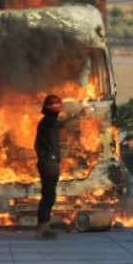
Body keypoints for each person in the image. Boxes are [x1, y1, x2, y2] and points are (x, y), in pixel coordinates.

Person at [34, 94, 84, 239]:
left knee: (49, 196)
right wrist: (79, 115)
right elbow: (63, 124)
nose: (59, 108)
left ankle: (45, 227)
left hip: (50, 162)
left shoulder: (47, 122)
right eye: (58, 106)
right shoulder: (48, 121)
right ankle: (42, 228)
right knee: (48, 196)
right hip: (49, 163)